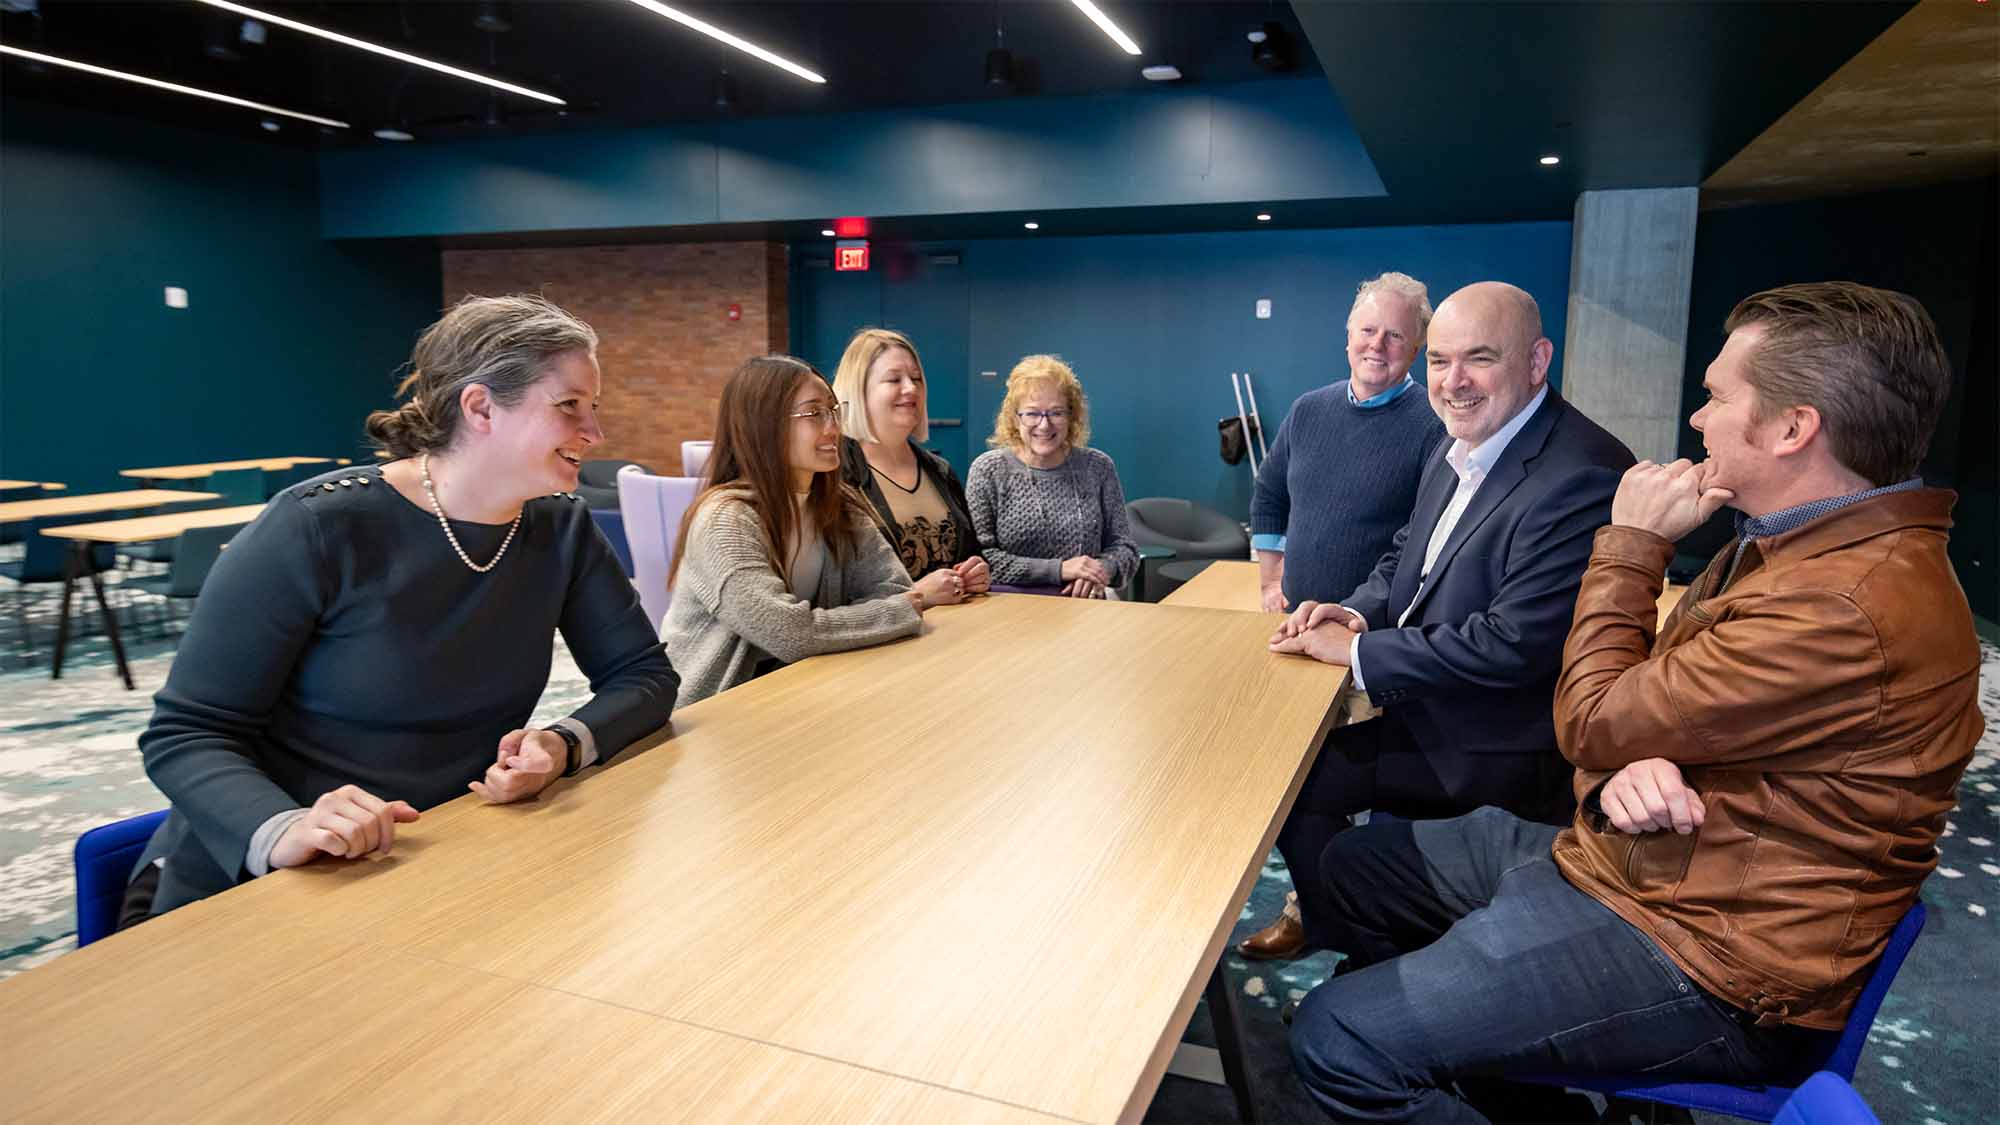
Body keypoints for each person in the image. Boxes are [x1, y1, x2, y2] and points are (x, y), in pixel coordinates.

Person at [1287, 281, 1982, 1123]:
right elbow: (1647, 704)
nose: (1697, 420)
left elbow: (1588, 721)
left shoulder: (1844, 599)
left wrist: (1635, 547)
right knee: (1356, 869)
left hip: (1705, 955)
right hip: (1645, 861)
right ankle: (1488, 1068)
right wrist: (1632, 751)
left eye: (1719, 397)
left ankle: (1425, 1044)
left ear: (1795, 429)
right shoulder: (1798, 544)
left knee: (1336, 1038)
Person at [128, 295, 679, 923]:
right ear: (480, 408)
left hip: (437, 863)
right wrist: (283, 827)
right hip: (262, 885)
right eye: (569, 407)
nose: (595, 434)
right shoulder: (318, 526)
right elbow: (186, 732)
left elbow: (644, 677)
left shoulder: (561, 529)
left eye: (593, 409)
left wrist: (561, 745)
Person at [1238, 281, 1634, 961]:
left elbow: (1514, 644)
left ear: (1538, 361)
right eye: (1441, 361)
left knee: (1309, 793)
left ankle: (1375, 954)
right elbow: (1405, 557)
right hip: (1432, 709)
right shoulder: (1461, 443)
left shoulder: (1582, 471)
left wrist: (1360, 656)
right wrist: (1355, 609)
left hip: (1495, 744)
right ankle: (1356, 940)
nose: (1452, 382)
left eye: (1478, 359)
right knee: (1285, 775)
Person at [664, 355, 960, 707]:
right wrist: (897, 612)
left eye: (834, 411)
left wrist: (882, 610)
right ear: (764, 426)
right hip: (714, 715)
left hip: (811, 690)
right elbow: (788, 632)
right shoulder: (725, 521)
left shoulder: (838, 504)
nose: (833, 428)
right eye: (813, 414)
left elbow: (893, 587)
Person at [1252, 272, 1447, 613]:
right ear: (1349, 338)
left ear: (1416, 351)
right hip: (1294, 618)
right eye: (1368, 330)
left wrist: (1358, 613)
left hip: (1368, 632)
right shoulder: (1307, 410)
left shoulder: (1436, 426)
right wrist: (1270, 581)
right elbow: (1269, 492)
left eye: (1396, 335)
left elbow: (1423, 541)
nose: (1377, 344)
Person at [831, 327, 990, 596]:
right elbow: (835, 590)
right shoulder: (835, 476)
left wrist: (977, 571)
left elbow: (972, 553)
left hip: (961, 628)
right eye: (894, 380)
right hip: (886, 634)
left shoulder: (940, 470)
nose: (910, 388)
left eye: (916, 379)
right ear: (859, 392)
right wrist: (917, 595)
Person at [965, 355, 1139, 599]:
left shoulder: (1098, 467)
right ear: (1015, 418)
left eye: (1056, 413)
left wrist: (1099, 571)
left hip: (1085, 606)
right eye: (1032, 413)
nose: (1044, 425)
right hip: (1011, 608)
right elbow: (981, 559)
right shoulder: (988, 470)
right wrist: (1059, 570)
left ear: (1072, 416)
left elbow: (1125, 548)